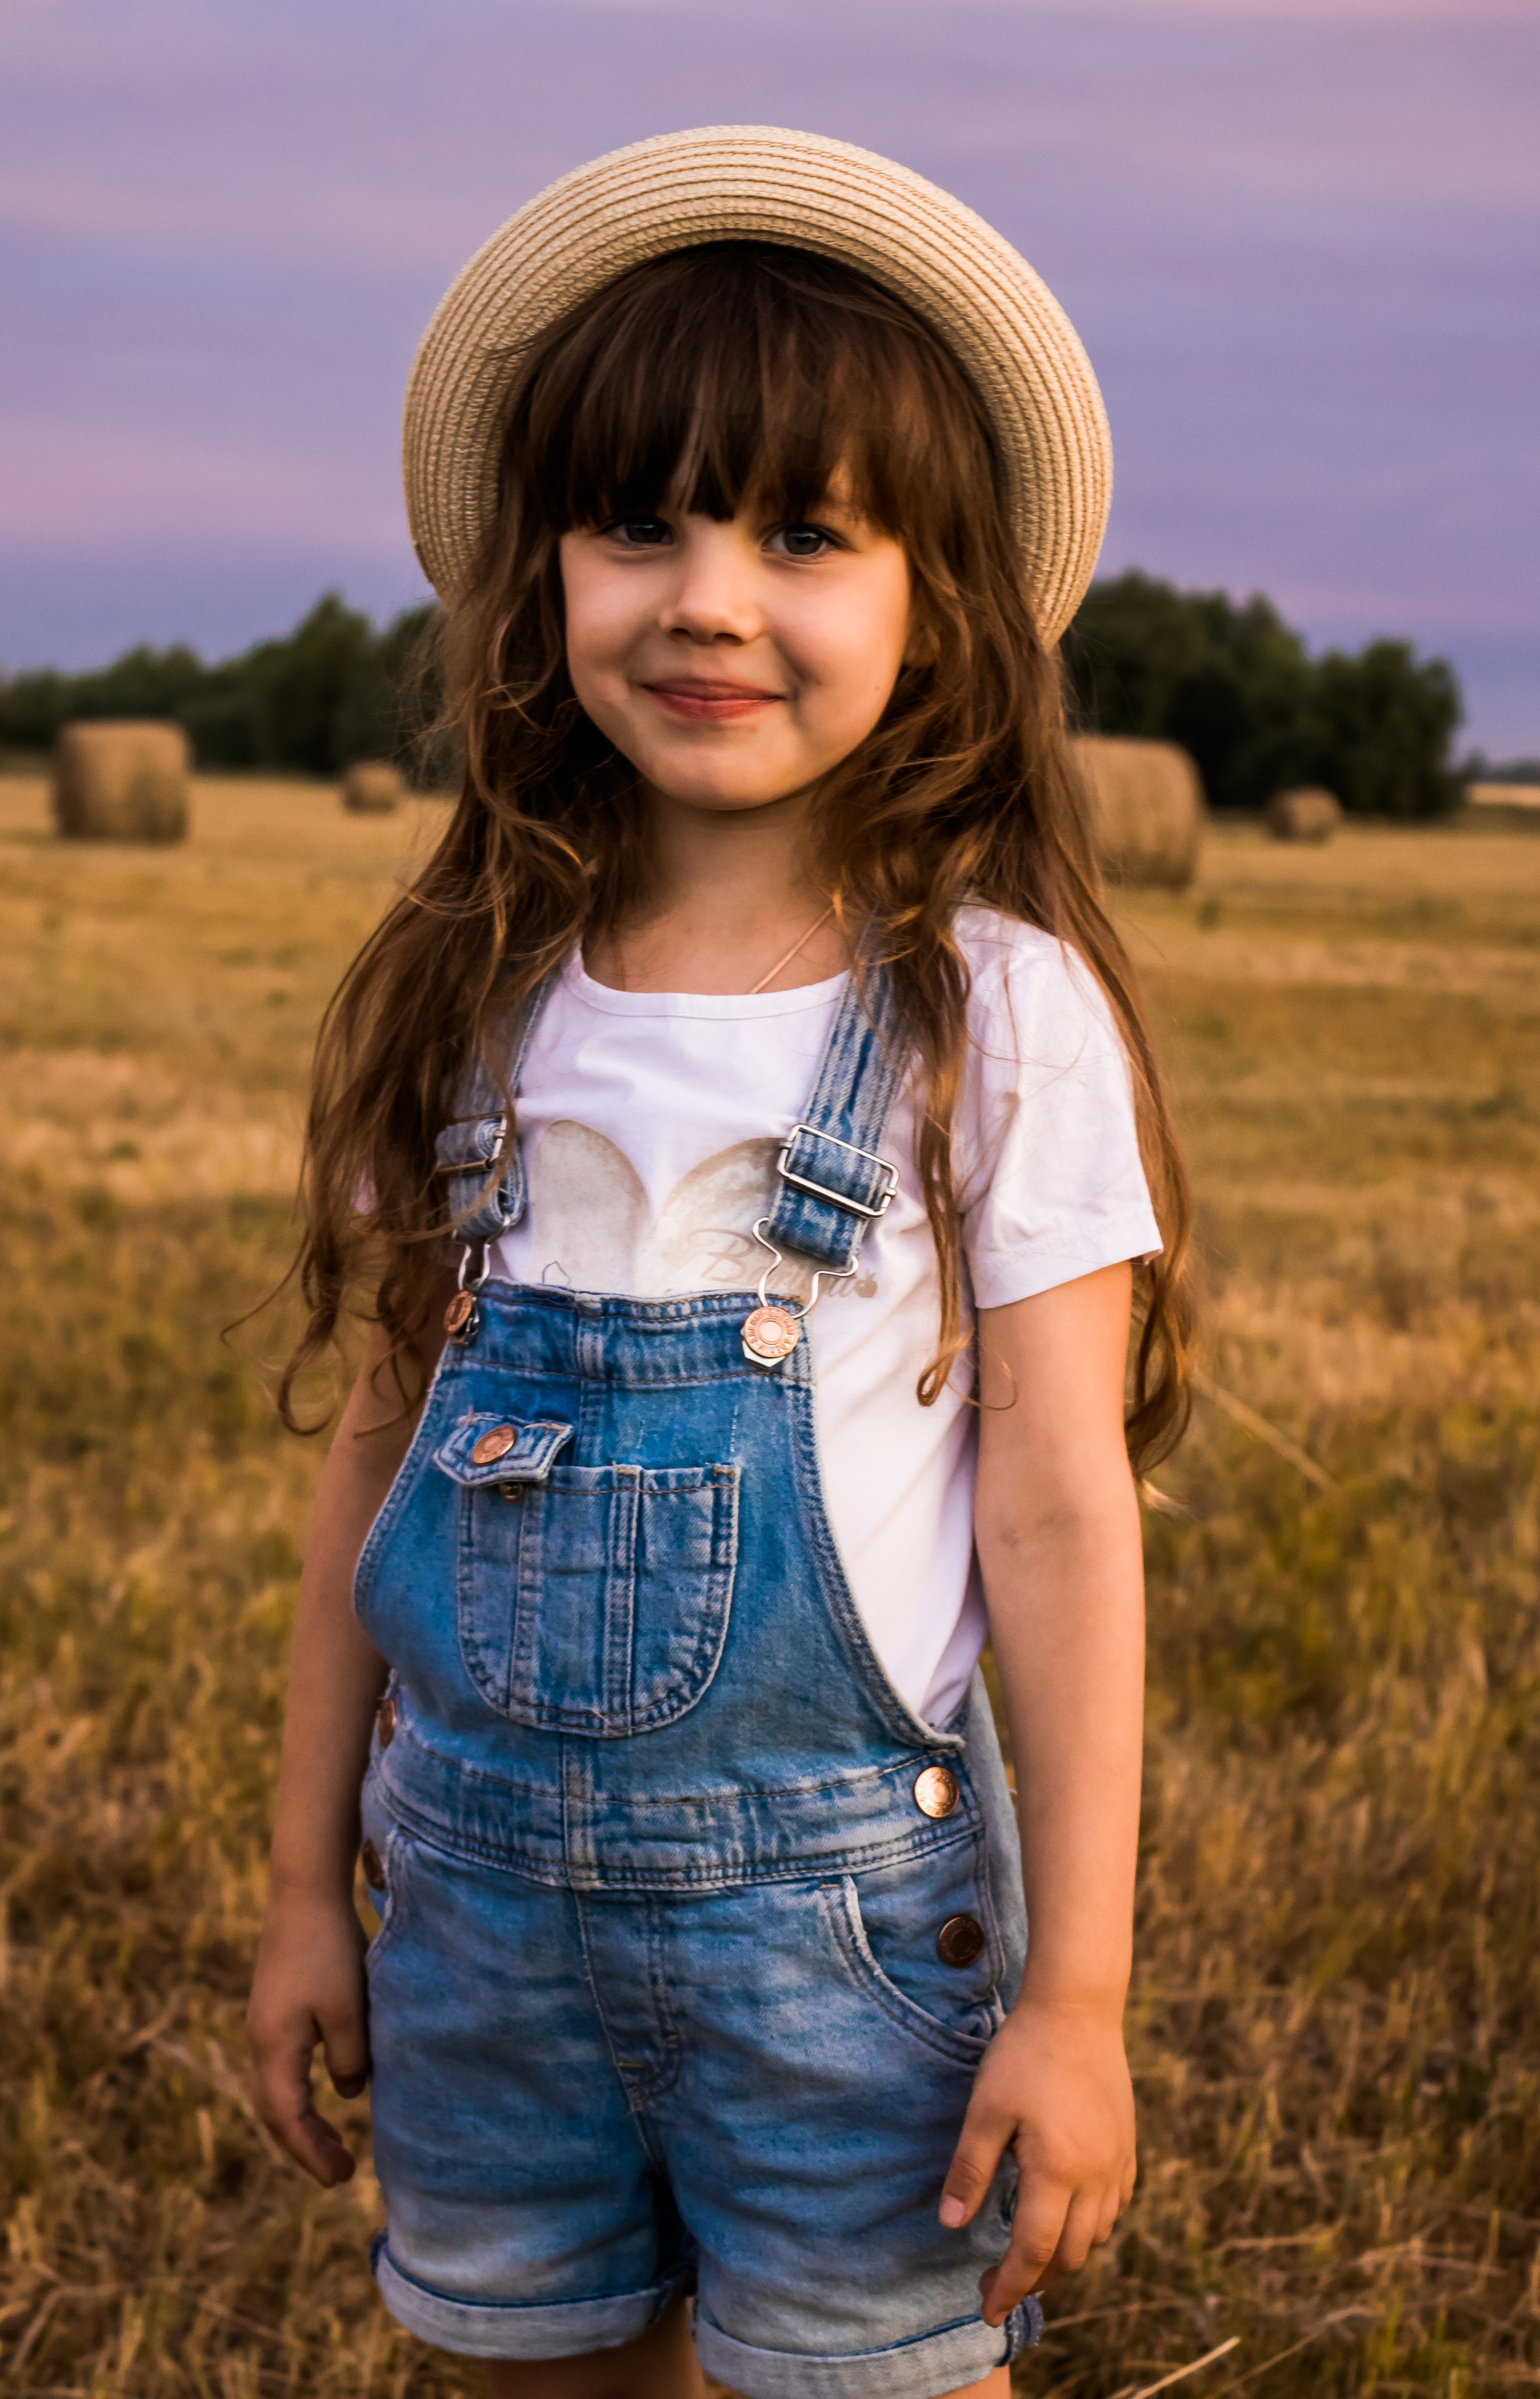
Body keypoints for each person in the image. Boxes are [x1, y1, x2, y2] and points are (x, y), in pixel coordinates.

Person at [247, 126, 1191, 2399]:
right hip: (471, 1934)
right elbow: (377, 1476)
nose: (705, 597)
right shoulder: (480, 988)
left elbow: (1060, 1512)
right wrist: (301, 1889)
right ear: (538, 578)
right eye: (636, 522)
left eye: (800, 533)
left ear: (934, 601)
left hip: (843, 1953)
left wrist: (1075, 2003)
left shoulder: (991, 1010)